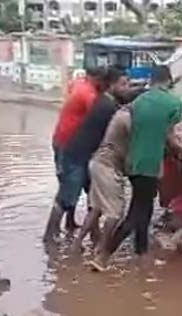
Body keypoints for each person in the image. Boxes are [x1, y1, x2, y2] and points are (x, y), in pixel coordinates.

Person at [91, 66, 182, 270]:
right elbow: (170, 136)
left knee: (145, 209)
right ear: (169, 81)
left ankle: (142, 256)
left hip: (132, 163)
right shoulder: (174, 103)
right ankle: (104, 255)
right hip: (150, 164)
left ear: (151, 80)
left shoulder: (139, 101)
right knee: (137, 213)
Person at [63, 68, 131, 251]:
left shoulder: (103, 101)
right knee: (114, 212)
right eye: (123, 84)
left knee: (96, 206)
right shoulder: (111, 109)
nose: (127, 88)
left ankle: (79, 243)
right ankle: (101, 248)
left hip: (90, 158)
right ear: (112, 85)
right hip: (92, 158)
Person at [44, 67, 107, 242]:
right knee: (70, 187)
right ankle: (50, 235)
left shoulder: (80, 84)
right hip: (70, 145)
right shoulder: (89, 95)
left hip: (65, 141)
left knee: (78, 184)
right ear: (100, 81)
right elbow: (100, 114)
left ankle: (70, 223)